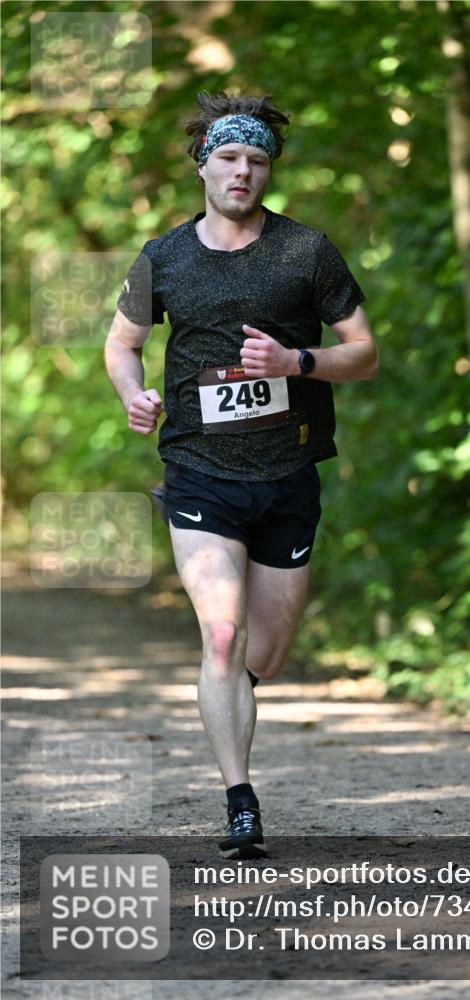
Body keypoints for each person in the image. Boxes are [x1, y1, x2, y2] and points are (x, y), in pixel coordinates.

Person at [104, 91, 378, 859]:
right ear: (202, 164)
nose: (242, 171)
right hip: (199, 470)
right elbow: (121, 344)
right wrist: (133, 395)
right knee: (222, 635)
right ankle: (240, 801)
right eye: (227, 157)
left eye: (257, 160)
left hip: (288, 471)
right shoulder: (162, 257)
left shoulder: (307, 252)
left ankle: (227, 693)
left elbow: (364, 352)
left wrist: (297, 361)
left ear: (269, 170)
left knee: (265, 654)